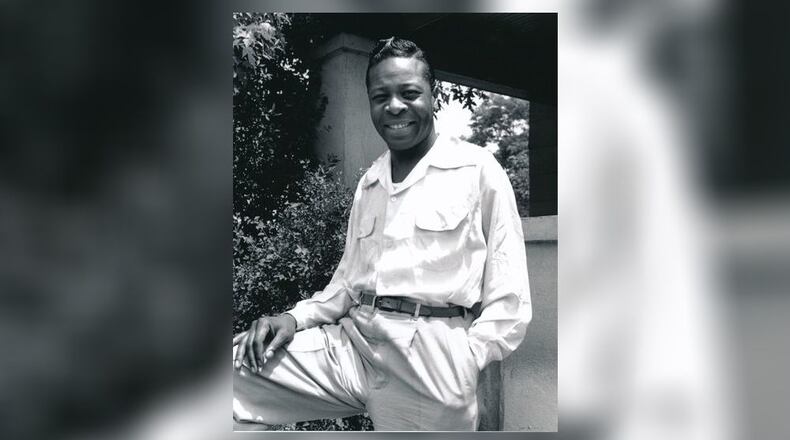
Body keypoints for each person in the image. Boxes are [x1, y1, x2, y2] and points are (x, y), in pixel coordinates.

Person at [233, 37, 531, 431]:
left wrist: (466, 356)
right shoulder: (371, 182)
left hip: (431, 362)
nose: (394, 106)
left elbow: (510, 296)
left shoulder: (476, 170)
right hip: (354, 343)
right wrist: (291, 317)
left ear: (433, 95)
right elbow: (347, 283)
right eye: (381, 96)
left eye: (409, 93)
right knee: (236, 371)